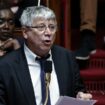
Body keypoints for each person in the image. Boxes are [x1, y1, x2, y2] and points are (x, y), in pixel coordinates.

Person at [0, 6, 92, 105]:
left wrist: (82, 97)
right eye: (41, 27)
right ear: (25, 32)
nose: (48, 33)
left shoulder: (67, 58)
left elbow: (79, 91)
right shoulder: (5, 65)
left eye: (52, 27)